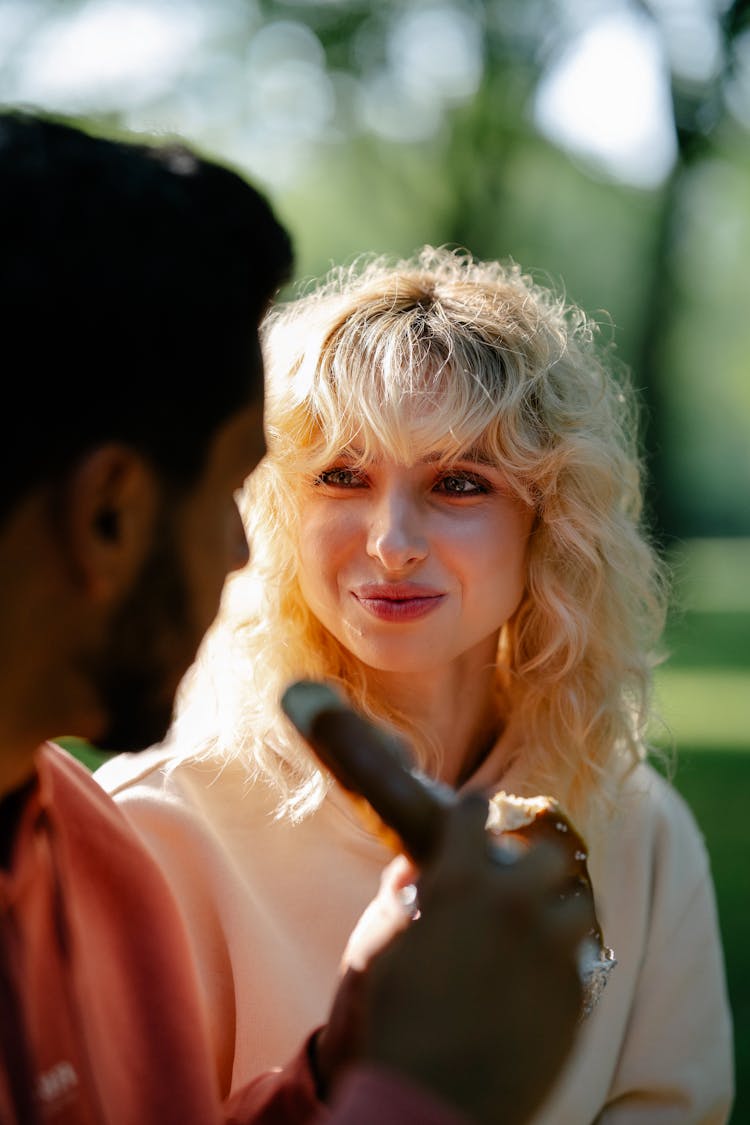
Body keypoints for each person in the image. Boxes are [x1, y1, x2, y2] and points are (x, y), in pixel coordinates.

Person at [0, 110, 592, 1125]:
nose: (241, 555)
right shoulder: (150, 830)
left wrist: (344, 1064)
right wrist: (420, 1097)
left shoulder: (92, 859)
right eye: (238, 488)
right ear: (109, 515)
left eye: (458, 482)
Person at [98, 245, 735, 1122]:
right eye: (342, 477)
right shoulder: (149, 829)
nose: (393, 540)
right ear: (275, 506)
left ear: (552, 520)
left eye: (459, 482)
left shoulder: (642, 829)